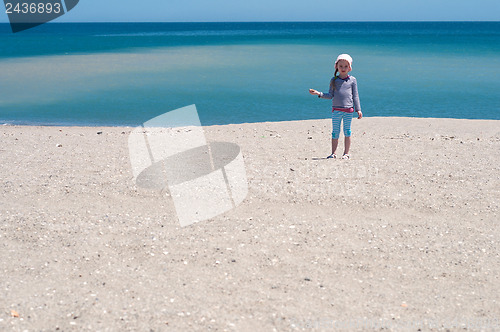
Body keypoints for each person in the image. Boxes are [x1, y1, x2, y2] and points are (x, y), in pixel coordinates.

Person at [309, 54, 362, 159]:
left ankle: (346, 153)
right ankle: (333, 153)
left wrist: (358, 110)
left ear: (349, 68)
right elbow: (330, 95)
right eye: (341, 66)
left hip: (348, 110)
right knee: (335, 132)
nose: (343, 68)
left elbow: (355, 95)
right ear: (337, 67)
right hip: (336, 110)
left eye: (346, 66)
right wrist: (318, 93)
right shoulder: (334, 80)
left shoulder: (352, 80)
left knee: (347, 131)